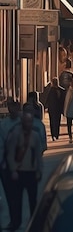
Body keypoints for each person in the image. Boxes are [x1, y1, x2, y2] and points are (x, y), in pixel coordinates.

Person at [5, 111, 43, 231]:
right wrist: (13, 170)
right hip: (19, 172)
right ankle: (16, 222)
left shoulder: (35, 136)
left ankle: (34, 222)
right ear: (22, 122)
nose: (29, 124)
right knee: (17, 200)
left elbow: (38, 155)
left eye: (30, 121)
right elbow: (10, 154)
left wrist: (39, 171)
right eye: (26, 121)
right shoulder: (16, 134)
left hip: (31, 172)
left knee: (33, 200)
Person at [0, 99, 22, 230]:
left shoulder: (23, 122)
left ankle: (18, 219)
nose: (10, 110)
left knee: (18, 194)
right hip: (6, 165)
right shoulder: (4, 124)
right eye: (9, 107)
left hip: (21, 165)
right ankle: (14, 220)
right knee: (10, 194)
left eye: (13, 107)